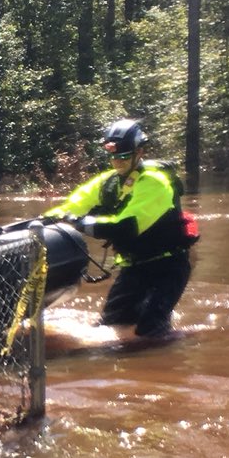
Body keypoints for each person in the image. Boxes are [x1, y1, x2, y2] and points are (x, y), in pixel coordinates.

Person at [41, 118, 196, 340]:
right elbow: (73, 205)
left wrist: (80, 223)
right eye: (114, 157)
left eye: (123, 157)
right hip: (133, 267)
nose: (117, 162)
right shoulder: (108, 182)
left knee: (150, 332)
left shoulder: (154, 182)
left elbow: (125, 227)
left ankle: (182, 342)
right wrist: (47, 221)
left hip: (167, 267)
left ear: (139, 152)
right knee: (110, 326)